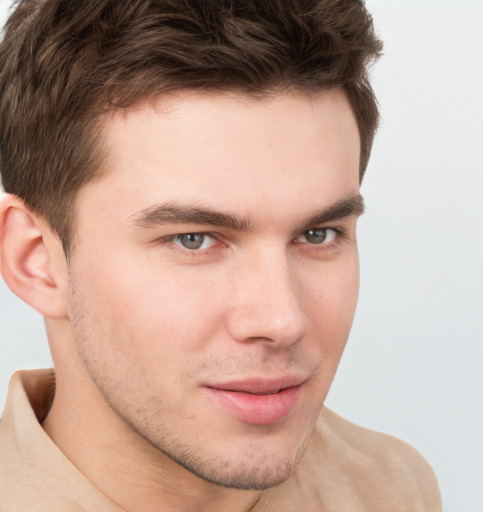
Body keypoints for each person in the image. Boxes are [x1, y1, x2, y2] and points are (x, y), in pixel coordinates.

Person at [0, 1, 442, 510]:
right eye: (195, 239)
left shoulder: (391, 488)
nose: (281, 320)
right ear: (35, 260)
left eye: (318, 234)